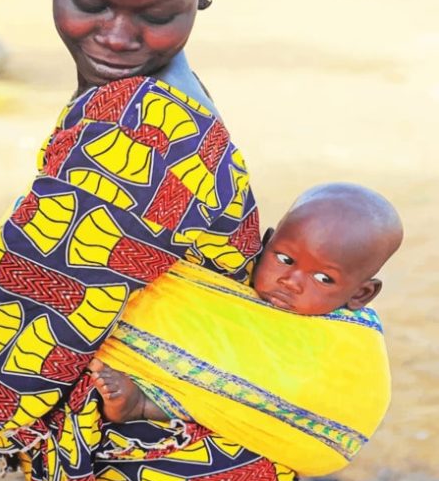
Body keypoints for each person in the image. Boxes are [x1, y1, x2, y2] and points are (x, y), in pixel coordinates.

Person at [0, 0, 309, 481]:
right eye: (90, 2)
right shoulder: (161, 88)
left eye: (154, 14)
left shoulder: (141, 122)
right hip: (218, 480)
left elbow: (42, 296)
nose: (116, 34)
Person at [89, 182, 403, 426]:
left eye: (323, 278)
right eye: (284, 259)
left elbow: (338, 406)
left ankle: (145, 407)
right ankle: (143, 402)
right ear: (265, 244)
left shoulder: (349, 343)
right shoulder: (225, 283)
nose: (291, 281)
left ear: (360, 295)